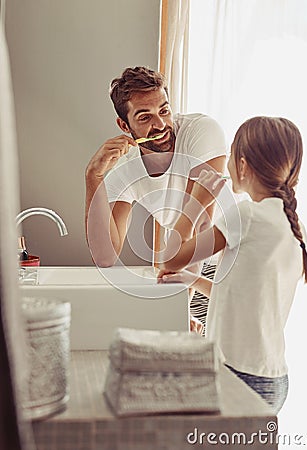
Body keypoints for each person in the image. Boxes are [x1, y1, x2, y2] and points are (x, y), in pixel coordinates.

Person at [158, 116, 307, 413]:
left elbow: (170, 256)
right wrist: (192, 281)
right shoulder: (295, 228)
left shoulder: (245, 216)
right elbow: (245, 296)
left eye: (230, 154)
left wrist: (195, 200)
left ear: (242, 165)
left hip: (239, 375)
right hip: (273, 377)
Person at [85, 66, 227, 332]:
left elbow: (201, 222)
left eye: (164, 110)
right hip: (179, 261)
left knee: (223, 356)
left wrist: (176, 308)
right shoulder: (125, 167)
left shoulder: (201, 131)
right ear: (124, 125)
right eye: (144, 117)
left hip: (221, 259)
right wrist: (93, 177)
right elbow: (106, 255)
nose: (160, 124)